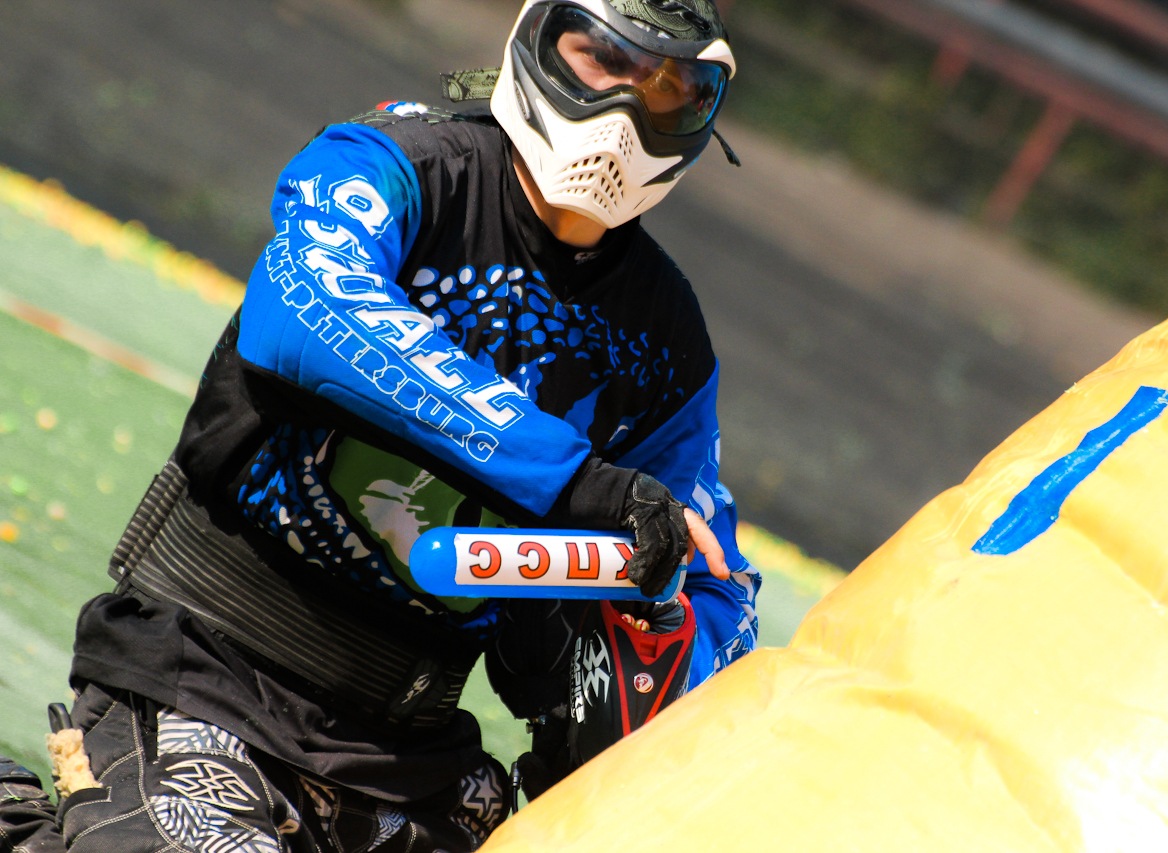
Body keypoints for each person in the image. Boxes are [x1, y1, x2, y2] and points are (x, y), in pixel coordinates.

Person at [3, 0, 759, 849]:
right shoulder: (397, 162)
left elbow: (711, 575)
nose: (623, 114)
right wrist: (572, 482)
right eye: (602, 60)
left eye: (666, 89)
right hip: (205, 680)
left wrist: (660, 655)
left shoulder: (665, 339)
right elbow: (301, 313)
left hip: (419, 766)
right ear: (537, 40)